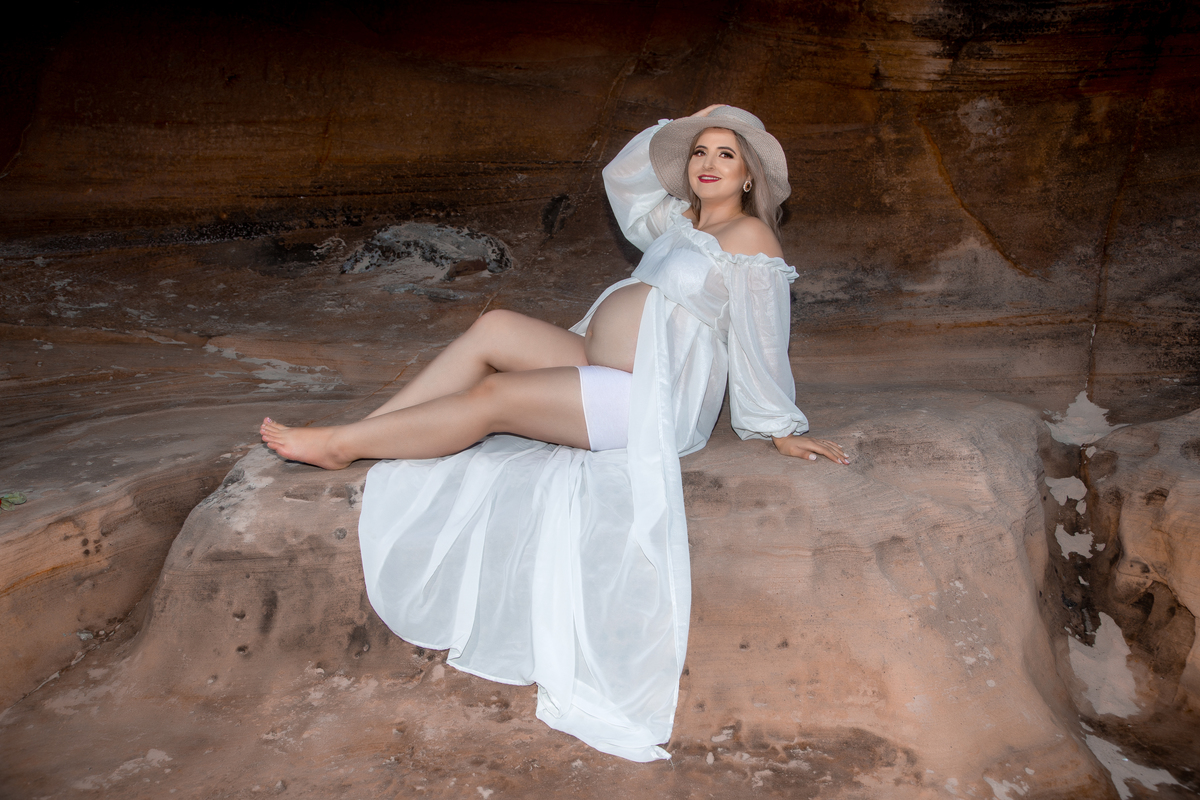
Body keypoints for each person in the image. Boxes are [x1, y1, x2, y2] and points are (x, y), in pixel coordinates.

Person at [261, 104, 848, 761]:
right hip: (599, 358)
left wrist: (777, 427)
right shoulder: (675, 222)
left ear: (748, 176)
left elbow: (763, 337)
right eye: (699, 152)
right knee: (493, 329)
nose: (708, 164)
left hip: (646, 398)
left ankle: (340, 446)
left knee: (494, 399)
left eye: (725, 154)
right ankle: (374, 431)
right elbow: (624, 179)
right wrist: (684, 122)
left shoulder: (751, 239)